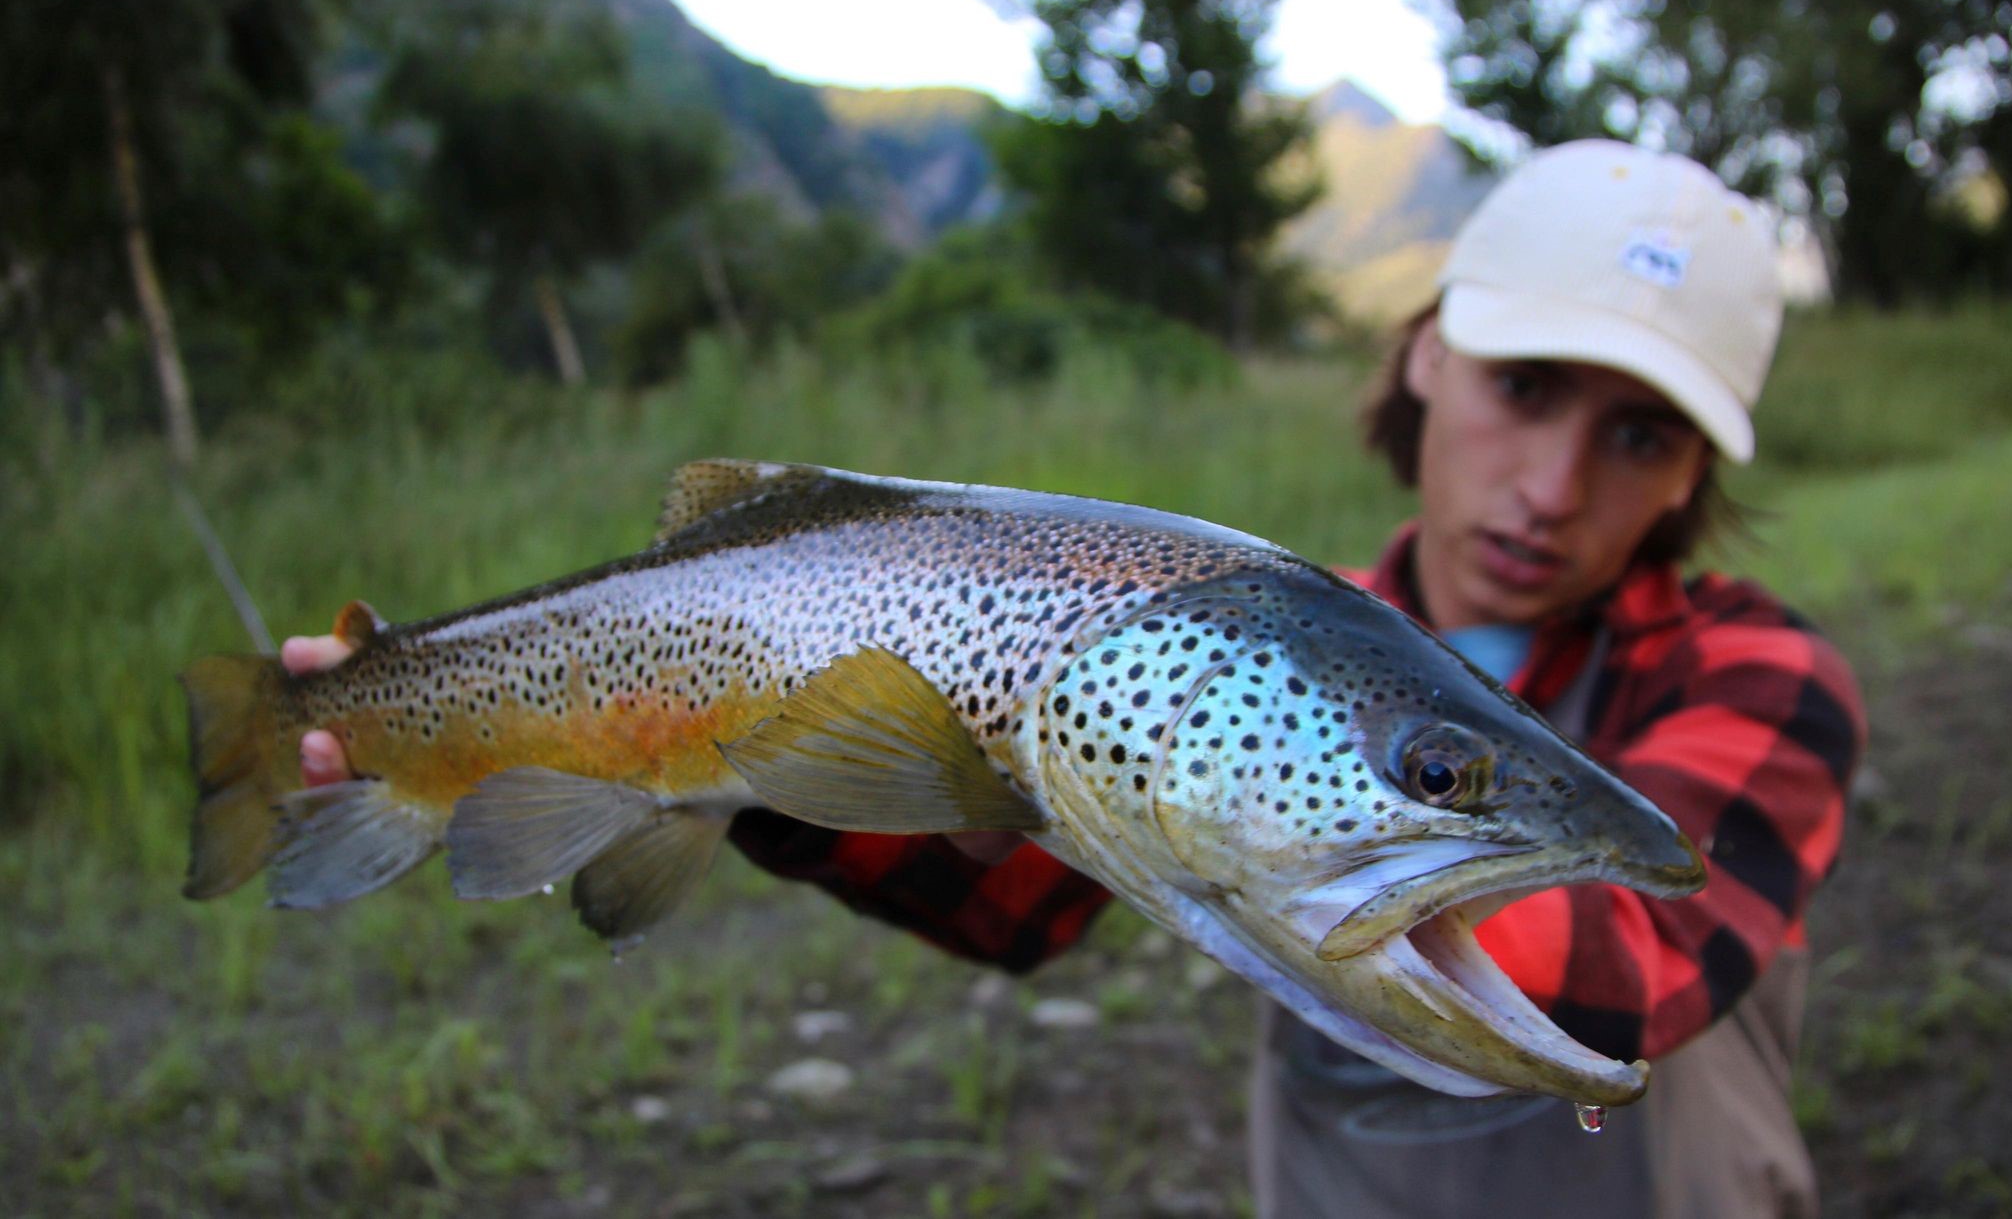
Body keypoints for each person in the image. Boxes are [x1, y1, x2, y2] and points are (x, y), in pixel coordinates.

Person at [281, 140, 1864, 1217]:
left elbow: (1645, 965)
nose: (1553, 483)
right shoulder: (1306, 628)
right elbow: (1015, 913)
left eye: (1638, 434)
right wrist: (765, 766)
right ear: (1428, 357)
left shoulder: (1766, 674)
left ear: (1692, 478)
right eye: (1527, 389)